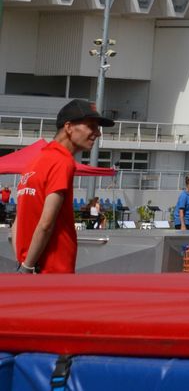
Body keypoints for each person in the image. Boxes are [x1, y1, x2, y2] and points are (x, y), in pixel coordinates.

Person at [14, 98, 115, 274]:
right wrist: (28, 267)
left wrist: (23, 263)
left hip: (32, 267)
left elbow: (17, 223)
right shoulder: (62, 162)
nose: (98, 133)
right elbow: (46, 223)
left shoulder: (34, 162)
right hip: (53, 269)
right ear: (68, 127)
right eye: (91, 126)